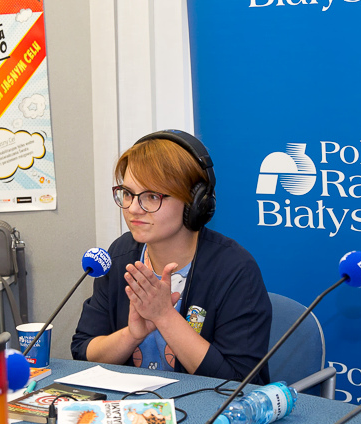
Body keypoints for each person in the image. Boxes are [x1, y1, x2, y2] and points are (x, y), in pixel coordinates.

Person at [72, 130, 272, 383]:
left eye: (152, 196)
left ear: (195, 203)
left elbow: (240, 383)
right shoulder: (121, 255)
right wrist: (131, 335)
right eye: (128, 193)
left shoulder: (235, 269)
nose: (133, 208)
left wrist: (164, 316)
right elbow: (83, 351)